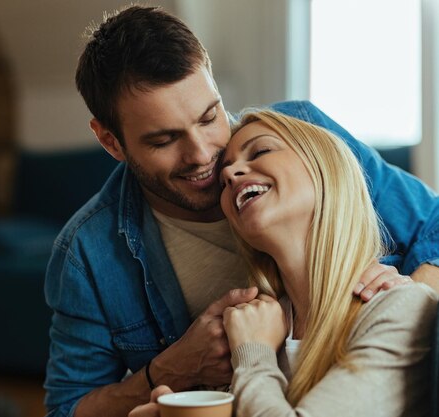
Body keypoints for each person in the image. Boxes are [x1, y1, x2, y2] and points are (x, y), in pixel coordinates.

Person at [44, 5, 439, 417]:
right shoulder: (87, 252)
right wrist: (170, 371)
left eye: (210, 116)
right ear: (111, 142)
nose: (206, 158)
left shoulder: (299, 136)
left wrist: (403, 307)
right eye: (164, 140)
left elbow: (435, 224)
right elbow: (67, 409)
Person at [129, 109, 438, 417]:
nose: (229, 174)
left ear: (325, 168)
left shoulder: (401, 305)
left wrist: (253, 356)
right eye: (224, 176)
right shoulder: (252, 325)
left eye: (261, 150)